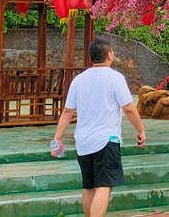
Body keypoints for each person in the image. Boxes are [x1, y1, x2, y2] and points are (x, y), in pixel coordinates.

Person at [52, 38, 147, 217]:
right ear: (109, 54)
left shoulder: (79, 80)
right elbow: (128, 108)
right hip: (106, 140)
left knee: (88, 186)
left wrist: (57, 138)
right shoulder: (115, 78)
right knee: (103, 186)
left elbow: (67, 111)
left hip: (83, 142)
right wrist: (140, 130)